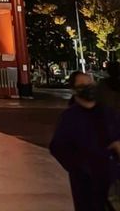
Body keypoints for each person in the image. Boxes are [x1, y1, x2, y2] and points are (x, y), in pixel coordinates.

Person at [50, 71, 120, 211]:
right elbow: (57, 147)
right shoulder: (70, 117)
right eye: (83, 85)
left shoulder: (107, 113)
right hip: (86, 183)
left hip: (111, 178)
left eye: (90, 84)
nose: (88, 88)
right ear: (74, 90)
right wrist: (80, 167)